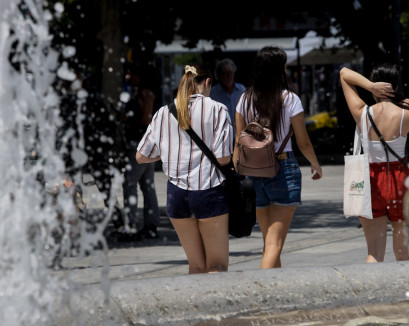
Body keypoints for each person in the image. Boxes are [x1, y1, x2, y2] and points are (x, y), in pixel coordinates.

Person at [340, 64, 409, 262]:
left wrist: (370, 86)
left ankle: (370, 291)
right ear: (396, 88)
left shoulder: (361, 112)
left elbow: (344, 74)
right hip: (399, 180)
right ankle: (406, 293)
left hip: (370, 181)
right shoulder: (406, 115)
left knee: (374, 253)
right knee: (404, 252)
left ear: (376, 89)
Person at [136, 64, 233, 274]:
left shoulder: (163, 112)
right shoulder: (217, 109)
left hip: (176, 194)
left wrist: (170, 150)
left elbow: (141, 155)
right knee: (216, 265)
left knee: (196, 266)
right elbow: (224, 158)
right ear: (207, 82)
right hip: (209, 189)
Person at [234, 46, 323, 270]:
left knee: (269, 241)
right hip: (283, 168)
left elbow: (238, 141)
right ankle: (261, 292)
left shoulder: (244, 99)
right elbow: (303, 141)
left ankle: (275, 292)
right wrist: (315, 164)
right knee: (274, 243)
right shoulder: (290, 99)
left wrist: (239, 173)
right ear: (279, 69)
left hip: (253, 172)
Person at [117, 63, 160, 241]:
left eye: (130, 73)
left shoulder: (145, 95)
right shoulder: (136, 94)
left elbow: (145, 120)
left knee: (130, 183)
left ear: (138, 76)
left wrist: (126, 118)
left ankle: (132, 226)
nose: (127, 77)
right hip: (146, 145)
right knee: (147, 185)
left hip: (140, 145)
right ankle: (150, 225)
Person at [210, 58, 246, 130]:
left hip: (240, 135)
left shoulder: (242, 90)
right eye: (224, 74)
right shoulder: (213, 93)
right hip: (222, 136)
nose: (228, 76)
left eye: (230, 73)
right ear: (219, 76)